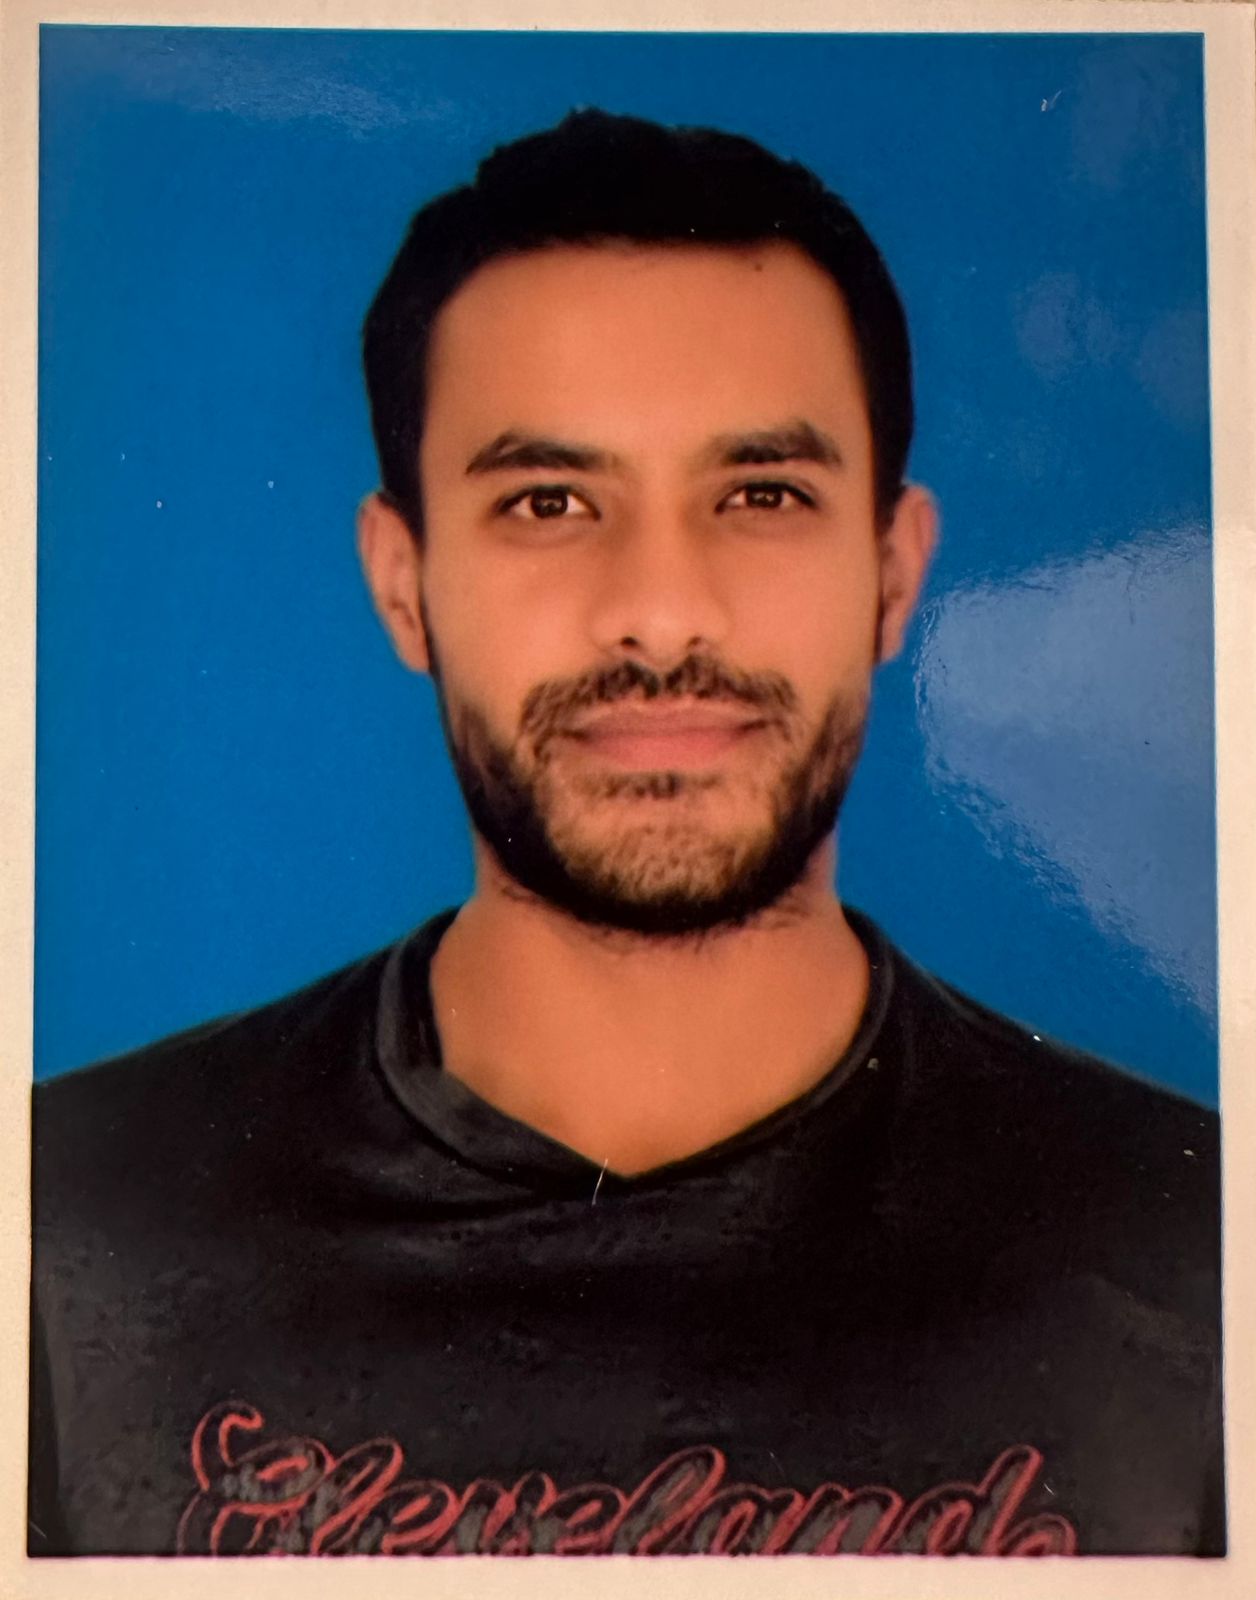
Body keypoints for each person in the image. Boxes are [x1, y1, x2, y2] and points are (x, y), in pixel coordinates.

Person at [29, 110, 1222, 1559]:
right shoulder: (60, 1238)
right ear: (403, 584)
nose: (661, 612)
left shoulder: (1198, 1257)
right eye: (549, 501)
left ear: (893, 574)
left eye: (762, 495)